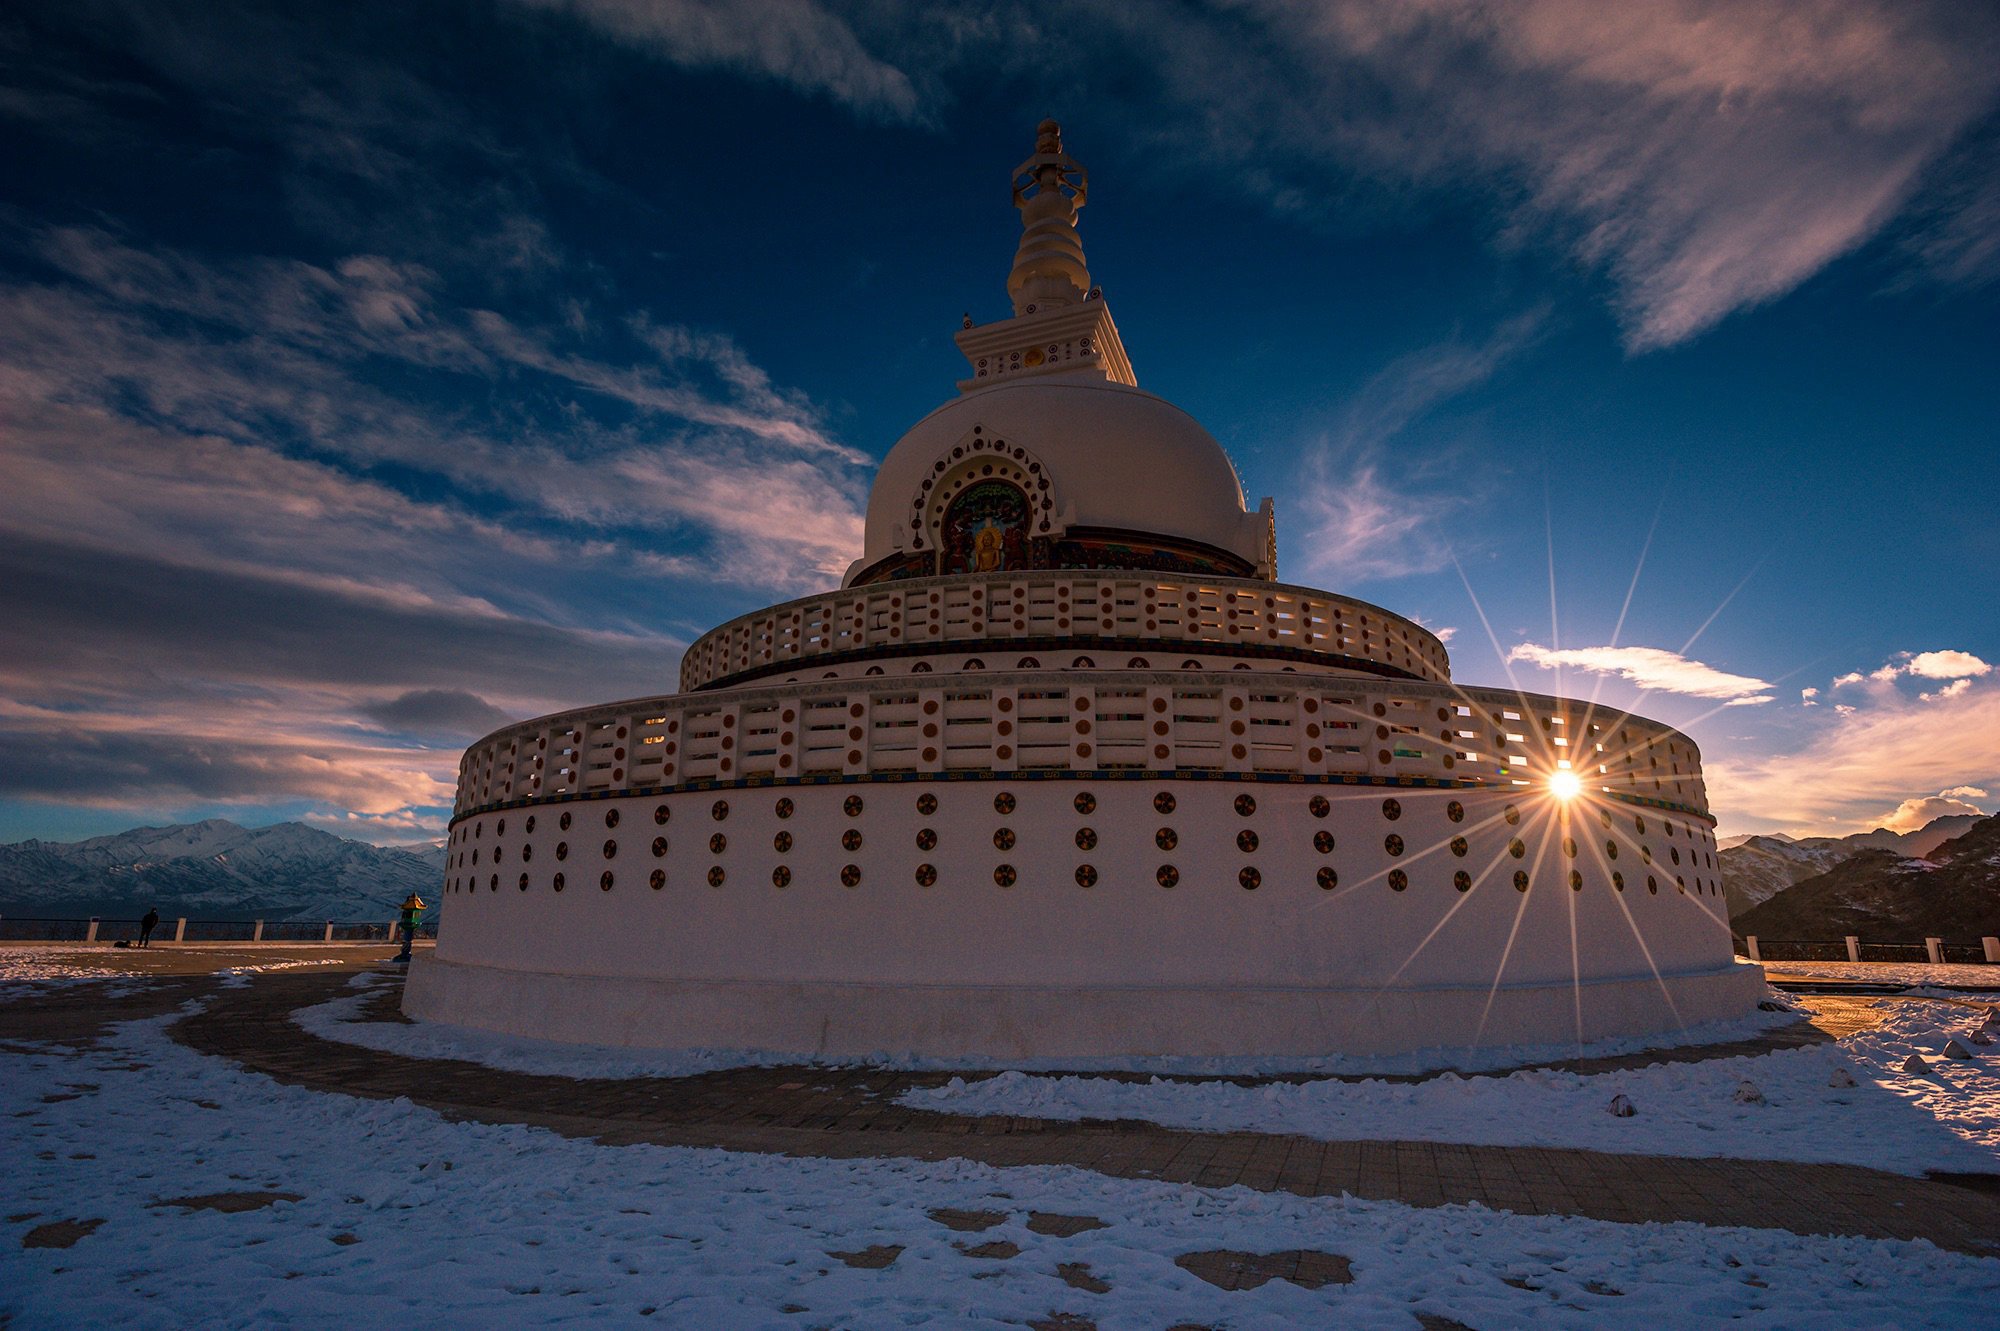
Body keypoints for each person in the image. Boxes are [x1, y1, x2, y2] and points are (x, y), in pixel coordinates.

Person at [394, 893, 425, 963]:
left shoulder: (406, 910)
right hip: (409, 926)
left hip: (407, 925)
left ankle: (405, 952)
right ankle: (405, 952)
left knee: (407, 940)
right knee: (407, 940)